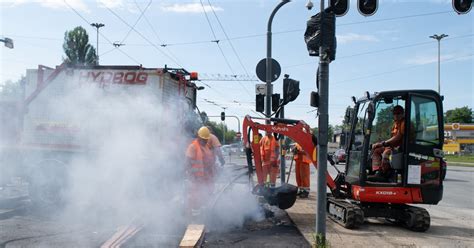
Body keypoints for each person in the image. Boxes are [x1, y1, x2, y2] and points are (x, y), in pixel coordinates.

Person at [185, 126, 214, 216]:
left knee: (204, 196)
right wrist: (190, 175)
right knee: (195, 197)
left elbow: (207, 161)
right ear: (199, 137)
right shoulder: (193, 147)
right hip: (195, 177)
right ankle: (193, 216)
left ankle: (201, 213)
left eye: (206, 139)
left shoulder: (205, 147)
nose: (205, 141)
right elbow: (187, 162)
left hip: (204, 177)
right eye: (203, 139)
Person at [371, 105, 405, 180]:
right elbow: (392, 137)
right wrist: (380, 143)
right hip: (394, 147)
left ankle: (384, 173)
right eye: (394, 113)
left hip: (401, 148)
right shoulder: (396, 124)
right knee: (376, 150)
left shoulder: (404, 123)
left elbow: (397, 137)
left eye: (398, 113)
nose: (396, 115)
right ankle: (377, 171)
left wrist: (383, 143)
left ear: (402, 113)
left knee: (386, 153)